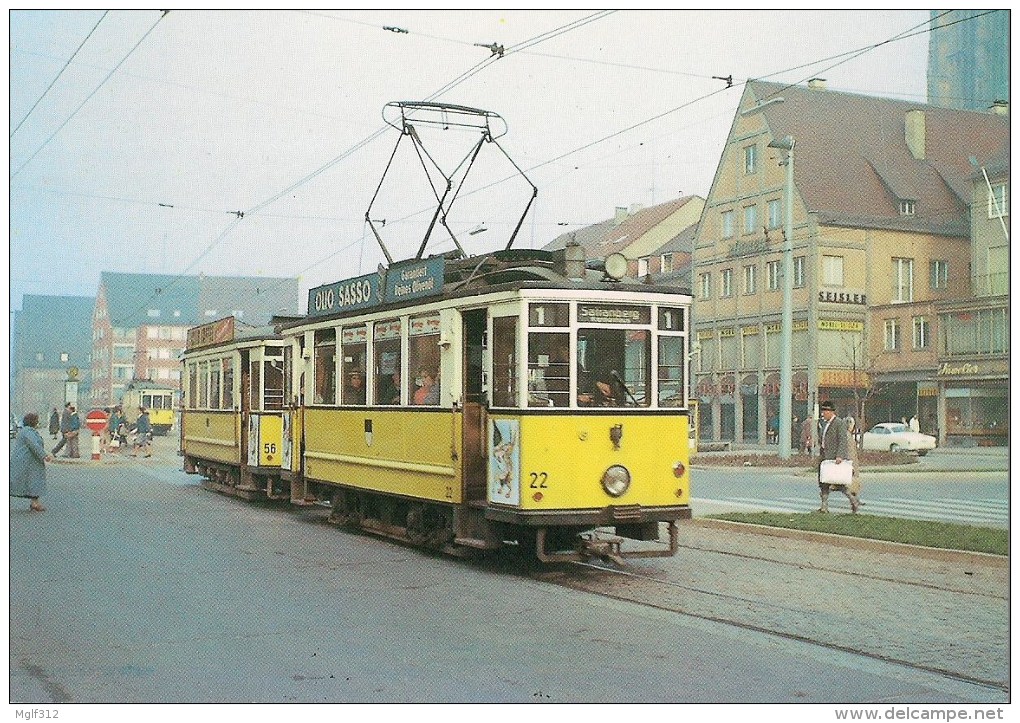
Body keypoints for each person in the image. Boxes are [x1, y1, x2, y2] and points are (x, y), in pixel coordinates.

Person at [816, 400, 858, 513]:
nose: (823, 413)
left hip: (834, 458)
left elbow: (843, 440)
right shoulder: (825, 423)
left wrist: (840, 455)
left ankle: (853, 501)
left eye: (825, 411)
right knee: (823, 482)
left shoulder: (839, 423)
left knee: (839, 483)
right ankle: (824, 506)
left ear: (831, 412)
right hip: (825, 456)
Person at [11, 412, 53, 512]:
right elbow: (34, 445)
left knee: (33, 482)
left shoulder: (26, 431)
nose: (38, 422)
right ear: (33, 422)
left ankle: (35, 503)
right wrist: (45, 456)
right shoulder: (28, 432)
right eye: (36, 420)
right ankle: (35, 503)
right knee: (17, 482)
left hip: (30, 461)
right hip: (26, 462)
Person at [845, 416, 862, 507]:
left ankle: (856, 500)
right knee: (850, 484)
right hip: (850, 462)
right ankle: (854, 501)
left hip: (853, 461)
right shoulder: (846, 436)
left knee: (853, 483)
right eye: (852, 424)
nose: (853, 426)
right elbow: (847, 450)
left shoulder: (848, 435)